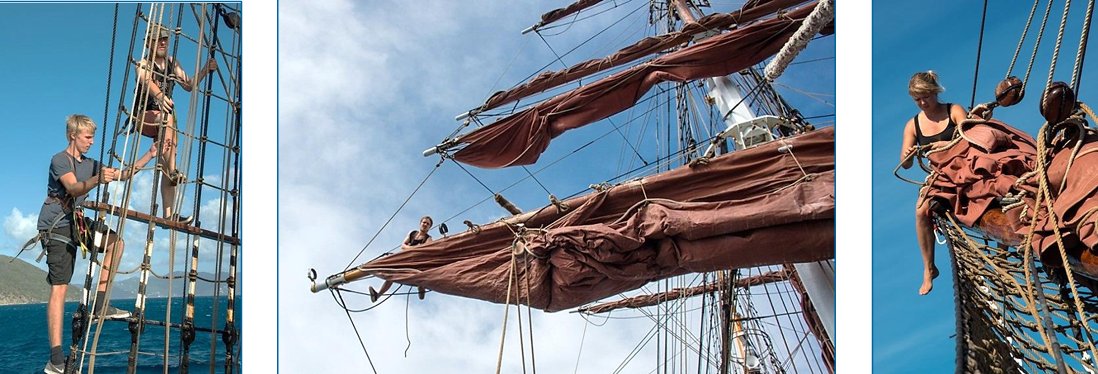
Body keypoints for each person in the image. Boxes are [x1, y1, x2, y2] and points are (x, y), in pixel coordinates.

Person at [41, 114, 158, 374]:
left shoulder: (92, 164)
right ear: (73, 135)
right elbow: (73, 188)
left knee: (116, 243)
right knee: (60, 287)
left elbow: (123, 175)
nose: (92, 142)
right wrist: (98, 179)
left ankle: (100, 303)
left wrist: (148, 155)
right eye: (88, 137)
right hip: (58, 224)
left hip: (78, 223)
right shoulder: (59, 160)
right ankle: (56, 358)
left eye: (93, 136)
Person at [134, 24, 216, 224]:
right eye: (157, 39)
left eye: (165, 39)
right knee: (168, 117)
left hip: (165, 122)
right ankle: (172, 171)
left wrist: (206, 69)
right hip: (144, 116)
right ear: (149, 43)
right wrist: (160, 95)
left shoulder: (172, 63)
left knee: (169, 155)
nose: (162, 42)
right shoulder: (143, 63)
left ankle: (169, 215)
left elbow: (188, 85)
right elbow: (145, 80)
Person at [899, 71, 968, 296]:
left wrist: (952, 142)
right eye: (917, 99)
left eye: (926, 97)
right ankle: (929, 268)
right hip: (940, 176)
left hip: (966, 167)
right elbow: (905, 164)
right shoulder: (913, 125)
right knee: (920, 211)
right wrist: (909, 154)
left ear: (935, 92)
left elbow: (971, 133)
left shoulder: (953, 110)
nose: (922, 103)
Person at [370, 216, 434, 302]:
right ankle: (377, 295)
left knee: (420, 274)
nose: (425, 224)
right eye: (424, 222)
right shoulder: (412, 233)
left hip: (417, 262)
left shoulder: (428, 239)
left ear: (430, 227)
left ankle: (421, 288)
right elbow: (403, 246)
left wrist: (412, 248)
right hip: (405, 258)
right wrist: (414, 248)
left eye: (427, 224)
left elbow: (424, 251)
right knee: (391, 275)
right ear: (420, 223)